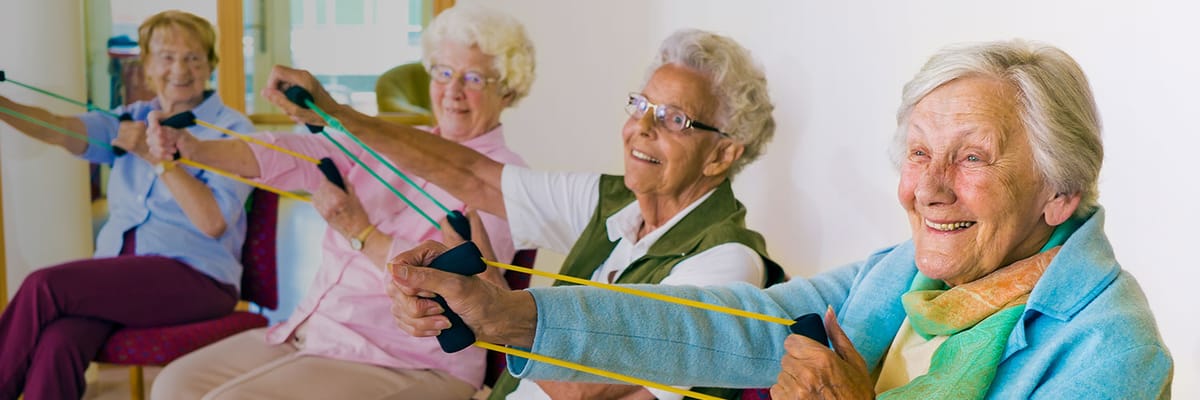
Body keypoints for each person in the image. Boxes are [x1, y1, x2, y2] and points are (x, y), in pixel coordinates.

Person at [387, 39, 1174, 399]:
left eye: (971, 157)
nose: (928, 189)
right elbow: (723, 327)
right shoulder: (900, 273)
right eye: (918, 153)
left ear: (1059, 191)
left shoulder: (1114, 351)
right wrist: (510, 316)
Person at [261, 28, 785, 399]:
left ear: (722, 153)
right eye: (641, 106)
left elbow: (583, 389)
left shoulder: (726, 262)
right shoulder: (612, 201)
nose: (642, 129)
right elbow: (471, 173)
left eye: (674, 119)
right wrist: (338, 115)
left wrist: (493, 311)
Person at [147, 5, 531, 399]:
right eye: (444, 73)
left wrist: (360, 231)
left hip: (408, 359)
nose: (453, 91)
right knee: (174, 386)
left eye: (474, 78)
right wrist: (193, 149)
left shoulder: (505, 179)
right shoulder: (401, 141)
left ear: (507, 89)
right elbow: (295, 154)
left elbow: (461, 289)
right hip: (317, 330)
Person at [0, 10, 254, 399]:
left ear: (210, 65)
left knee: (45, 286)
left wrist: (156, 158)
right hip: (123, 277)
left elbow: (213, 221)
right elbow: (57, 128)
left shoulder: (232, 129)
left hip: (199, 278)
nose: (180, 69)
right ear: (147, 65)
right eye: (167, 57)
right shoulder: (128, 119)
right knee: (59, 341)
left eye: (193, 58)